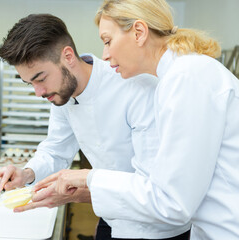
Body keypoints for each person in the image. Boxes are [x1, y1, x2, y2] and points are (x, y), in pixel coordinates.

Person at [43, 0, 239, 239]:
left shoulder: (186, 78)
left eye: (108, 41)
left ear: (139, 32)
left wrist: (89, 179)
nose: (105, 54)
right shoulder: (176, 78)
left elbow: (172, 202)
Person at [0, 14, 190, 240]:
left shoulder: (133, 85)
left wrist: (80, 190)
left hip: (159, 227)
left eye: (41, 78)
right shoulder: (62, 96)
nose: (39, 92)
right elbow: (55, 150)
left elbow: (152, 184)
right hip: (112, 215)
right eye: (31, 84)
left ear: (67, 56)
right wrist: (26, 174)